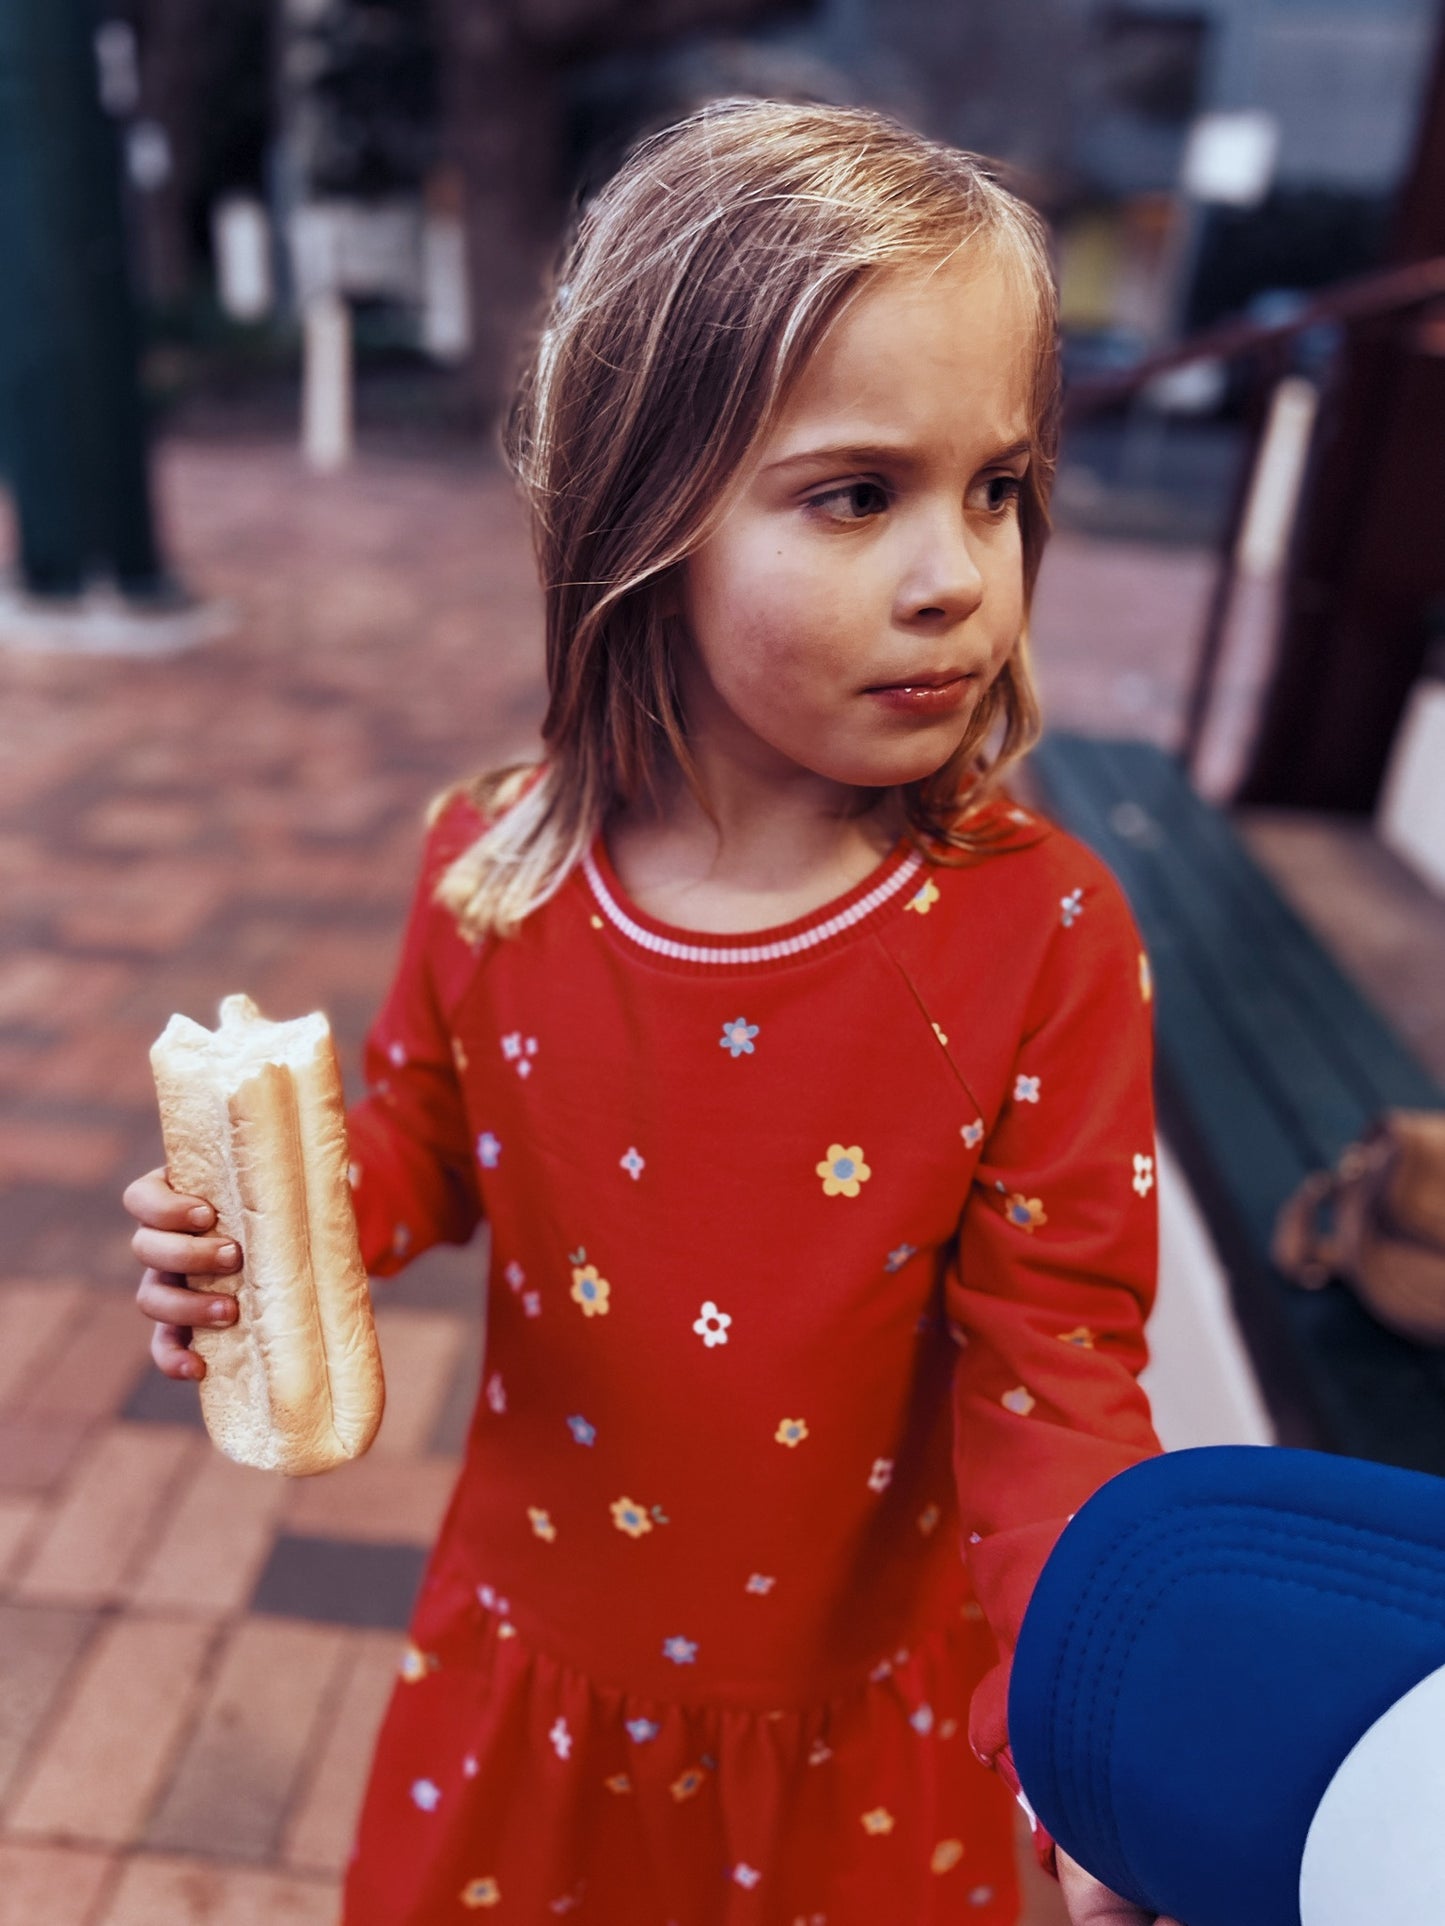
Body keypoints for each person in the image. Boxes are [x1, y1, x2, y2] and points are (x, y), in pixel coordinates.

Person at [126, 99, 1173, 1926]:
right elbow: (422, 1151)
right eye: (857, 494)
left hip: (865, 1736)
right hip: (532, 1680)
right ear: (642, 516)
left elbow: (1055, 1380)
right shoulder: (492, 866)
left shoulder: (1042, 935)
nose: (957, 575)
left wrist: (1093, 1728)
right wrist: (265, 1233)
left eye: (996, 486)